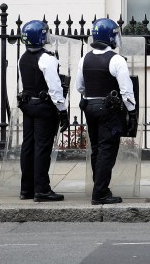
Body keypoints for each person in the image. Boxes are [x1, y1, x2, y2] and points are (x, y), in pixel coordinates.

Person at [75, 18, 136, 205]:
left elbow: (79, 87)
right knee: (107, 150)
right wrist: (132, 112)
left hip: (90, 106)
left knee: (97, 149)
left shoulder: (85, 58)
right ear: (110, 37)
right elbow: (126, 90)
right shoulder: (116, 60)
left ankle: (99, 187)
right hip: (108, 110)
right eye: (116, 34)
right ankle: (100, 192)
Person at [17, 20, 68, 202]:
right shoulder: (47, 58)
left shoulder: (22, 58)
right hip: (44, 108)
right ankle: (42, 189)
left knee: (28, 147)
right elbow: (55, 88)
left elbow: (23, 84)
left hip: (28, 106)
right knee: (42, 148)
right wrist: (62, 110)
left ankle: (26, 189)